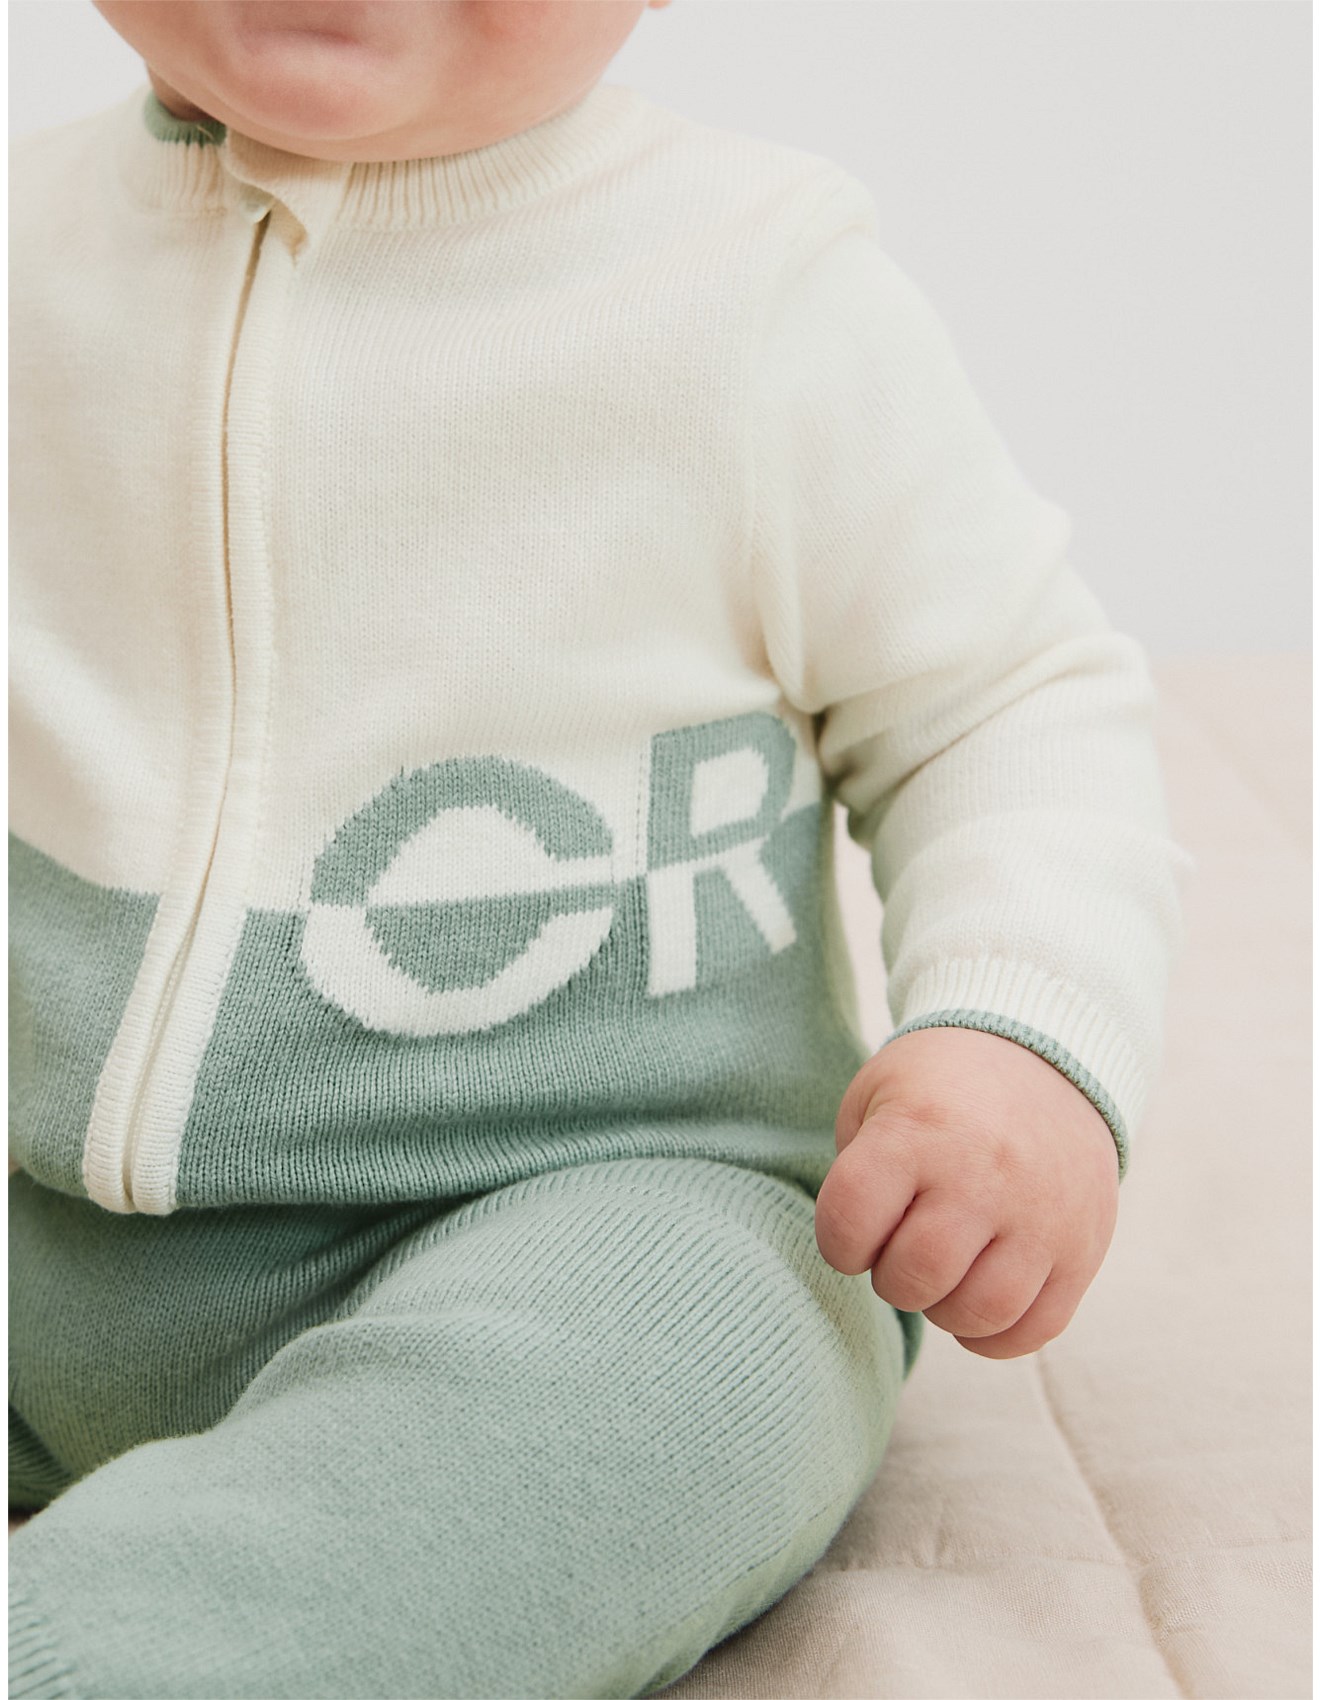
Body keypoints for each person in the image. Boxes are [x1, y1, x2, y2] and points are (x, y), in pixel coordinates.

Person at [7, 3, 1192, 1695]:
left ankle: (97, 1655)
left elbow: (1003, 706)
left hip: (602, 1198)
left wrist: (1022, 1034)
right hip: (37, 1216)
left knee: (699, 1377)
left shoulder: (751, 292)